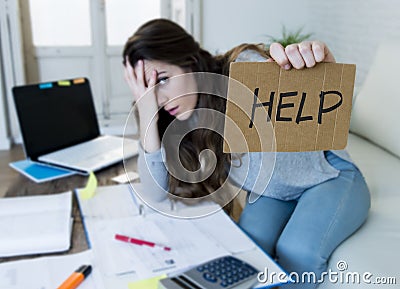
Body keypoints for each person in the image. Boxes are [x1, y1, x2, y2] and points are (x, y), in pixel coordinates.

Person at [122, 19, 370, 288]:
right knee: (247, 250)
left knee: (296, 250)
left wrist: (312, 66)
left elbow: (314, 94)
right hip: (273, 192)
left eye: (163, 80)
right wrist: (147, 113)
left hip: (328, 175)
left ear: (190, 62)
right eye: (147, 90)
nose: (159, 99)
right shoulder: (177, 114)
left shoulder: (243, 68)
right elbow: (155, 193)